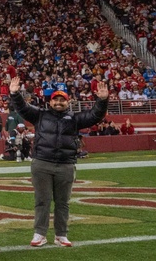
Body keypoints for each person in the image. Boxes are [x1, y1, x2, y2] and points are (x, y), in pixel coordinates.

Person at [9, 77, 109, 247]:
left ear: (68, 102)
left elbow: (94, 116)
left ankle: (61, 234)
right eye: (56, 99)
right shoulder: (40, 115)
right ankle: (40, 233)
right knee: (42, 200)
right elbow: (23, 108)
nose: (59, 103)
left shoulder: (75, 119)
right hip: (42, 163)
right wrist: (14, 93)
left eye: (62, 100)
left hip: (65, 164)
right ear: (51, 101)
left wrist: (102, 100)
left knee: (63, 202)